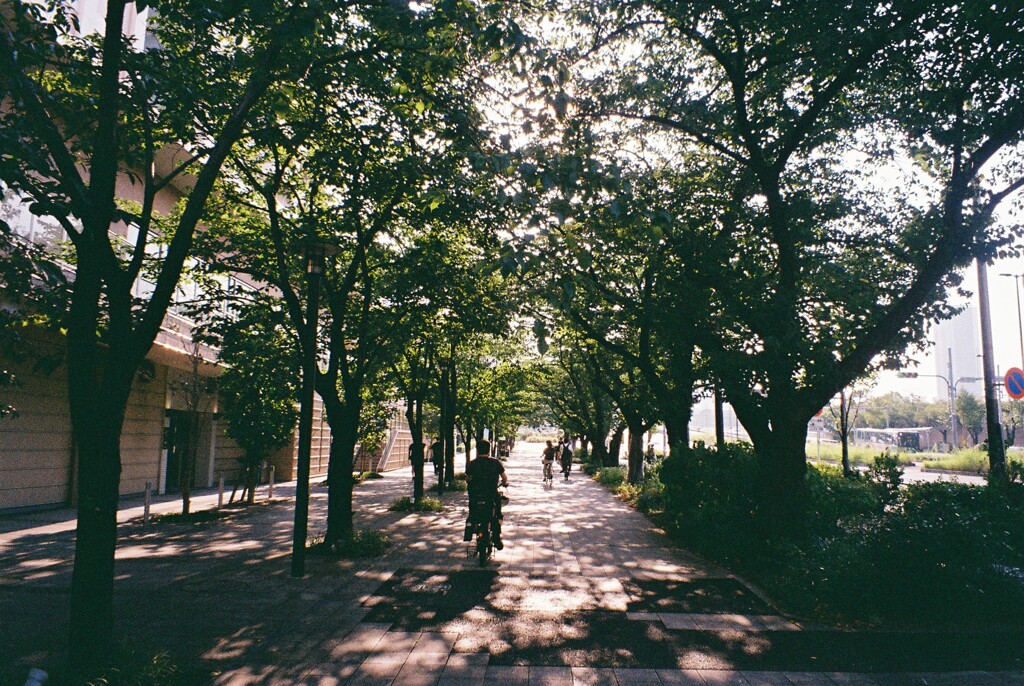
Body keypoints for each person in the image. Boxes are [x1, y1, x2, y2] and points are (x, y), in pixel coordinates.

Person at [465, 439, 508, 549]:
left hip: (475, 494)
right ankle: (497, 538)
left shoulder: (472, 464)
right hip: (491, 494)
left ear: (477, 450)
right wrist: (504, 483)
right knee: (497, 513)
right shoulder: (495, 462)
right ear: (489, 450)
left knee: (472, 512)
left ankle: (470, 528)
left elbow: (468, 478)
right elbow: (504, 477)